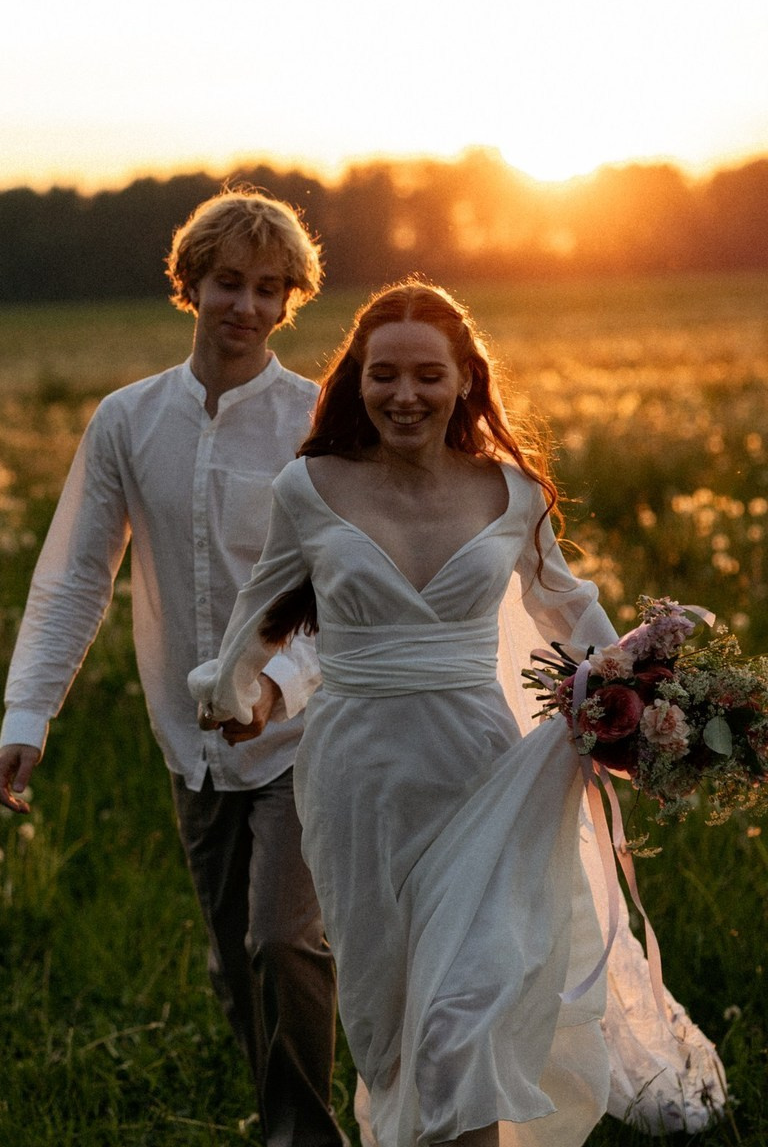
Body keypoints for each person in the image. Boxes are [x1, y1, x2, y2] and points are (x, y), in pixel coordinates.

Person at [189, 280, 723, 1147]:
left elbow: (568, 609)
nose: (405, 395)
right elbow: (259, 615)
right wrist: (232, 697)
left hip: (483, 772)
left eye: (428, 376)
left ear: (466, 380)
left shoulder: (511, 492)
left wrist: (656, 698)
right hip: (359, 779)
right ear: (355, 381)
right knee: (393, 1023)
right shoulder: (311, 486)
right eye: (383, 374)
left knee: (464, 1016)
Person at [0, 188, 350, 1147]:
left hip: (298, 734)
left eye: (268, 289)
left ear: (288, 303)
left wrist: (277, 689)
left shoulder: (318, 422)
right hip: (188, 743)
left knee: (282, 940)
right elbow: (74, 576)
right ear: (189, 283)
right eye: (228, 281)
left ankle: (302, 1137)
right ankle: (286, 1111)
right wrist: (29, 719)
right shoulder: (126, 421)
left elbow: (346, 599)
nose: (245, 305)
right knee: (237, 964)